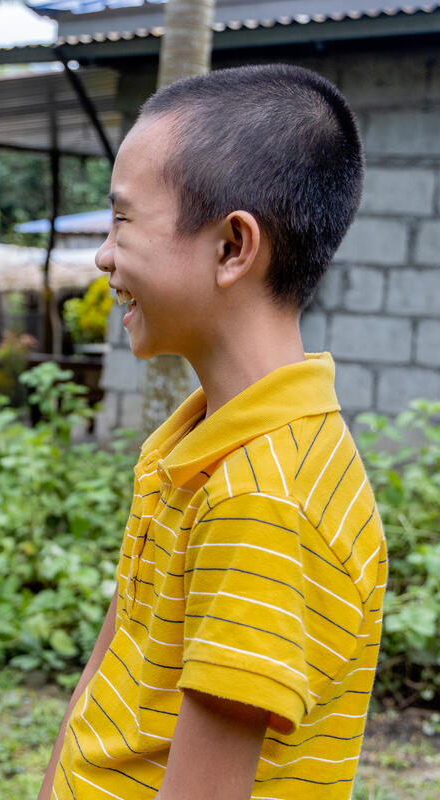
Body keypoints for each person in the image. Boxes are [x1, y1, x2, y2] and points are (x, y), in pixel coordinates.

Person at [38, 64, 387, 800]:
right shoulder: (198, 440)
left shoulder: (261, 501)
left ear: (233, 246)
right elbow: (113, 662)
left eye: (124, 220)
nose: (104, 254)